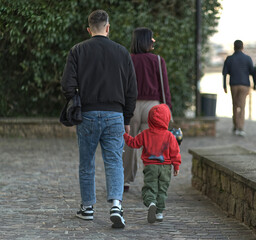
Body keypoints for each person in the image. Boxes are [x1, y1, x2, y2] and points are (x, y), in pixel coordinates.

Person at [61, 10, 137, 228]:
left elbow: (67, 84)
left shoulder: (77, 50)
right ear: (108, 27)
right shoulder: (122, 53)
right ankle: (115, 204)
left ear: (89, 29)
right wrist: (127, 117)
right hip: (115, 114)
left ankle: (87, 208)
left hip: (87, 114)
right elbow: (132, 89)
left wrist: (75, 99)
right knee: (114, 161)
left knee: (87, 162)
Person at [123, 27, 172, 192]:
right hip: (154, 108)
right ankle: (152, 183)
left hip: (131, 106)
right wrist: (168, 109)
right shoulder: (158, 60)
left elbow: (123, 86)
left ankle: (125, 181)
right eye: (151, 38)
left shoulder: (127, 60)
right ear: (144, 40)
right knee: (153, 145)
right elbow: (164, 89)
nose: (153, 41)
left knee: (129, 144)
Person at [123, 104, 181, 223]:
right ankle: (159, 212)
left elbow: (134, 143)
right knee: (162, 189)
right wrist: (176, 165)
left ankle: (151, 203)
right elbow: (175, 152)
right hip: (165, 167)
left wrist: (124, 135)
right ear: (167, 119)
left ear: (149, 119)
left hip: (150, 167)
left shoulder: (145, 133)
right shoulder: (170, 136)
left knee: (150, 187)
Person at [222, 40, 255, 137]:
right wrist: (255, 84)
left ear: (234, 47)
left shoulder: (229, 59)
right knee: (242, 106)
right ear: (242, 47)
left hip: (234, 84)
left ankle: (236, 126)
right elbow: (252, 72)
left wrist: (224, 85)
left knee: (235, 105)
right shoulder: (247, 58)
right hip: (244, 85)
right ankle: (240, 127)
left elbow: (224, 73)